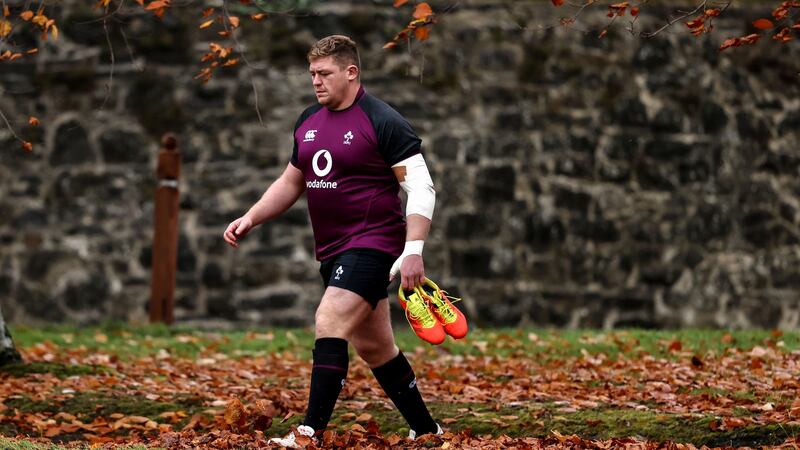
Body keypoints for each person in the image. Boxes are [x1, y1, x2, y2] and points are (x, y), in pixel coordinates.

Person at [223, 35, 461, 447]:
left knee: (329, 318)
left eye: (325, 74)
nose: (316, 82)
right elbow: (290, 181)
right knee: (376, 347)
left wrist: (413, 251)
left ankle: (308, 433)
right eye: (312, 74)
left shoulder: (383, 121)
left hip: (374, 243)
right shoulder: (307, 121)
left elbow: (422, 189)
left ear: (351, 72)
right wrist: (251, 216)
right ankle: (428, 430)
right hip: (332, 250)